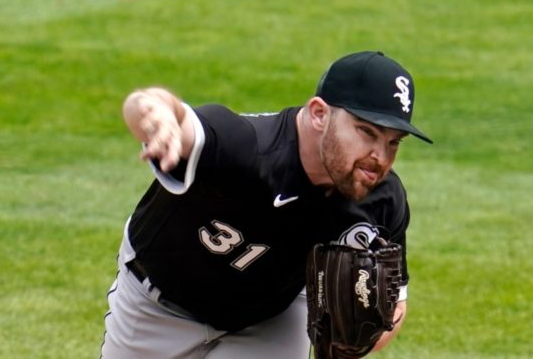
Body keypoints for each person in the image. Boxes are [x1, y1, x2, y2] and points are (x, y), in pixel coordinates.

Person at [101, 51, 432, 358]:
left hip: (270, 320)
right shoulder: (246, 147)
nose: (380, 157)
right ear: (319, 114)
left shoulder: (382, 201)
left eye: (393, 142)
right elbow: (162, 110)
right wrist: (153, 111)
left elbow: (394, 304)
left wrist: (354, 340)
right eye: (366, 132)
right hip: (156, 303)